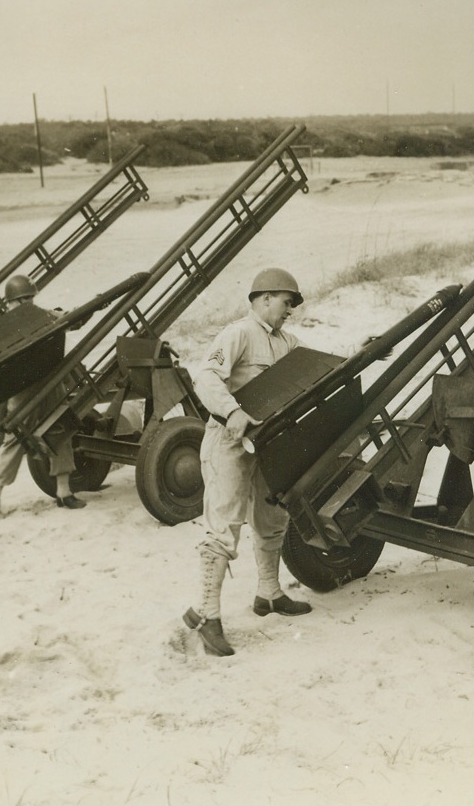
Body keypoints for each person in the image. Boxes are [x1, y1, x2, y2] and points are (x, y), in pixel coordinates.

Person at [182, 267, 312, 657]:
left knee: (272, 520)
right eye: (287, 303)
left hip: (268, 445)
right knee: (223, 529)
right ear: (266, 297)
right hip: (229, 442)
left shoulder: (287, 343)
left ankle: (269, 594)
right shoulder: (238, 333)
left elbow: (312, 370)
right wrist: (233, 413)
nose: (290, 311)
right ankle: (206, 615)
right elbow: (205, 378)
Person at [0, 274, 85, 522]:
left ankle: (63, 492)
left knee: (61, 431)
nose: (27, 303)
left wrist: (84, 311)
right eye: (22, 300)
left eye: (30, 298)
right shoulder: (3, 328)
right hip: (22, 391)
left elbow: (68, 320)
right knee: (14, 438)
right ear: (10, 303)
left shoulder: (42, 315)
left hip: (50, 385)